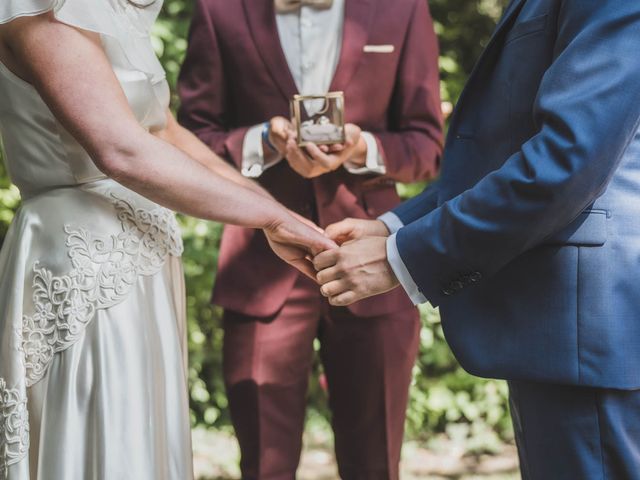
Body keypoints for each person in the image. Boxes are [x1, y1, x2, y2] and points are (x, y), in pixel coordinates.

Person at [0, 1, 334, 478]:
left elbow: (164, 132)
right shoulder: (39, 10)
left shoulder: (107, 12)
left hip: (144, 272)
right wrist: (269, 220)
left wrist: (275, 213)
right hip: (86, 269)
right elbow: (123, 150)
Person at [315, 0, 640, 478]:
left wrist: (401, 258)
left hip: (588, 327)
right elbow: (504, 151)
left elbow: (565, 162)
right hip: (558, 330)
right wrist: (397, 225)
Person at [177, 0, 442, 478]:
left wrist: (362, 148)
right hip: (260, 265)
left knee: (375, 461)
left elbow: (428, 147)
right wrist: (263, 141)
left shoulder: (402, 9)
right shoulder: (220, 11)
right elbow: (189, 138)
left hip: (372, 263)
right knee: (263, 462)